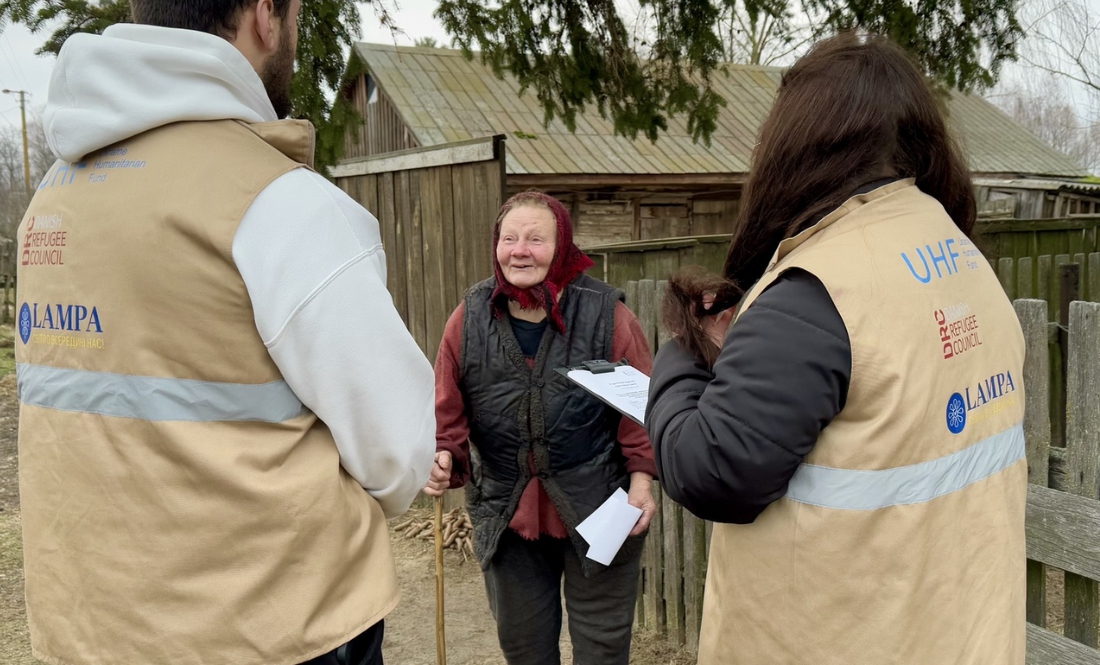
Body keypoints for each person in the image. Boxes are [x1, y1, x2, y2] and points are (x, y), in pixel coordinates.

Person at [16, 2, 436, 664]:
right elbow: (402, 448)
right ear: (265, 16)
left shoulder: (54, 198)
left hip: (91, 630)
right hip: (271, 629)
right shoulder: (281, 203)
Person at [646, 34, 1027, 665]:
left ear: (796, 144)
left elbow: (710, 469)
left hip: (839, 637)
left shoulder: (818, 291)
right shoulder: (961, 256)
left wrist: (682, 352)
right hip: (962, 632)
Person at [423, 191, 657, 665]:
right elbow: (446, 409)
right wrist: (444, 455)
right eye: (509, 239)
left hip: (600, 503)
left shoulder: (607, 314)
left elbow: (641, 408)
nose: (519, 250)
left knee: (603, 649)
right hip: (508, 510)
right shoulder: (467, 319)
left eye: (535, 239)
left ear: (562, 246)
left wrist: (642, 480)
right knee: (525, 649)